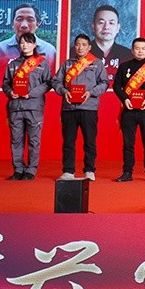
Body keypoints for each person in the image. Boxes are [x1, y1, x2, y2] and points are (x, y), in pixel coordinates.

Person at [52, 34, 109, 181]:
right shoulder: (67, 64)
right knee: (68, 141)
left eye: (83, 45)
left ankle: (89, 170)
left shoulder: (96, 63)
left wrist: (91, 92)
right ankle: (68, 171)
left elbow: (104, 83)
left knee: (89, 141)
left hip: (88, 108)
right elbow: (56, 82)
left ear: (89, 47)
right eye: (77, 44)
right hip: (69, 108)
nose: (80, 47)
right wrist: (64, 91)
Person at [2, 32, 53, 180]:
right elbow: (5, 83)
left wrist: (31, 93)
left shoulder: (42, 63)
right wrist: (10, 92)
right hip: (15, 107)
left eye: (28, 42)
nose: (25, 45)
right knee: (16, 140)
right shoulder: (13, 64)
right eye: (22, 42)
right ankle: (18, 169)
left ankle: (31, 169)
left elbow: (48, 83)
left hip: (33, 107)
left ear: (34, 44)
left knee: (34, 140)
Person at [112, 38, 145, 182]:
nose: (140, 51)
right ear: (132, 50)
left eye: (143, 48)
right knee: (128, 143)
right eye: (137, 48)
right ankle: (127, 172)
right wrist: (125, 99)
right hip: (129, 110)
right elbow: (116, 86)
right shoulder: (124, 67)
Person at [0, 3, 56, 72]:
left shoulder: (49, 51)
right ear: (12, 23)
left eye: (30, 20)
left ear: (37, 24)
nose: (24, 25)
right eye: (19, 19)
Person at [90, 5, 133, 82]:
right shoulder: (80, 53)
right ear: (93, 26)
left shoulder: (128, 55)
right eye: (101, 23)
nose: (106, 27)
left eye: (111, 23)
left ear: (118, 28)